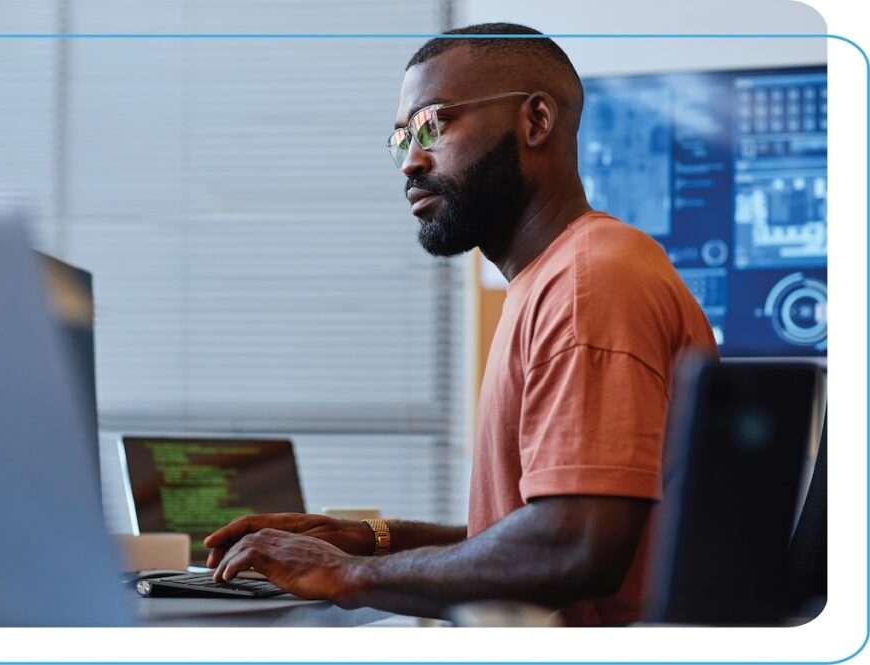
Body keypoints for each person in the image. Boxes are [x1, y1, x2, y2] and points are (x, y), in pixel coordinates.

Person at [204, 23, 717, 626]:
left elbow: (572, 547)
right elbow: (527, 530)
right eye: (401, 140)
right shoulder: (556, 278)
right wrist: (371, 540)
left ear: (535, 122)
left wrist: (344, 575)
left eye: (433, 125)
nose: (411, 163)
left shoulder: (588, 284)